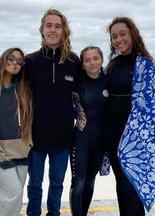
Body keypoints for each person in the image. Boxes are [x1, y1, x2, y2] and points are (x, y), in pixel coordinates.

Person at [25, 8, 82, 216]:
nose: (53, 30)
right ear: (42, 30)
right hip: (35, 137)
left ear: (63, 30)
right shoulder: (30, 61)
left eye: (57, 26)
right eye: (48, 25)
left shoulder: (74, 62)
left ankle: (54, 213)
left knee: (57, 183)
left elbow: (86, 94)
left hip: (63, 137)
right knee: (35, 184)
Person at [103, 16, 155, 215]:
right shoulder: (113, 64)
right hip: (112, 133)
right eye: (114, 36)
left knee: (131, 184)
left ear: (132, 34)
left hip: (134, 136)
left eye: (122, 34)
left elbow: (151, 104)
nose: (118, 40)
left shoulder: (145, 64)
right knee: (120, 184)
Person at [0, 47, 33, 216]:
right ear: (4, 57)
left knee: (16, 197)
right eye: (12, 58)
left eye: (20, 61)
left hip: (22, 148)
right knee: (13, 195)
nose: (15, 62)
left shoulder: (23, 87)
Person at [70, 46, 109, 216]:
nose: (92, 63)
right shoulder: (77, 83)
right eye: (87, 60)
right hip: (81, 139)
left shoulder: (109, 80)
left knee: (90, 181)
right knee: (78, 182)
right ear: (83, 64)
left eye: (95, 58)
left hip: (101, 141)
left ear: (101, 59)